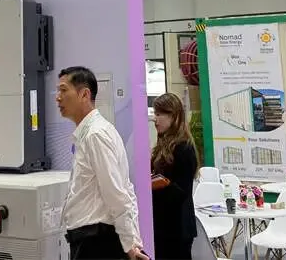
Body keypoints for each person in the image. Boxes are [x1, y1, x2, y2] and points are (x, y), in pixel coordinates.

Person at [56, 66, 147, 260]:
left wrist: (130, 244)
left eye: (63, 90)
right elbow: (125, 189)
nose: (58, 97)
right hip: (91, 239)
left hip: (96, 242)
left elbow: (116, 193)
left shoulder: (95, 135)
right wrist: (132, 240)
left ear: (84, 94)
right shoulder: (93, 132)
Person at [150, 93, 198, 260]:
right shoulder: (163, 145)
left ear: (173, 116)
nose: (155, 119)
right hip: (165, 224)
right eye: (154, 113)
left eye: (159, 114)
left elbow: (181, 191)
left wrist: (156, 185)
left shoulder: (184, 148)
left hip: (177, 227)